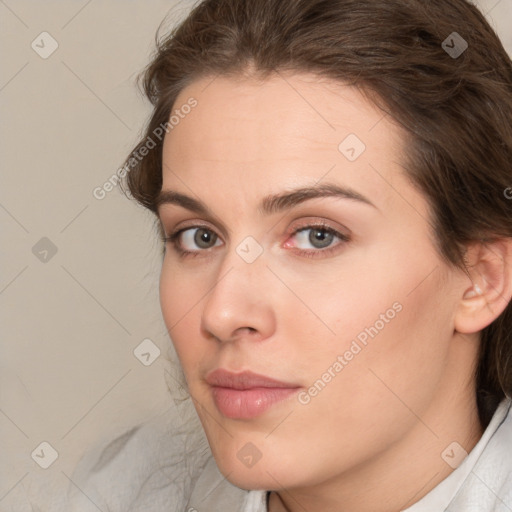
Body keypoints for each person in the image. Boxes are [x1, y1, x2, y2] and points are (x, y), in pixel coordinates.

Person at [68, 0, 512, 510]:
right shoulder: (107, 492)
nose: (222, 313)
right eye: (199, 236)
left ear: (482, 279)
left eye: (317, 236)